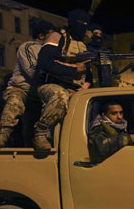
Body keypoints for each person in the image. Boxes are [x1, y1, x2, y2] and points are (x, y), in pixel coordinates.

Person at [0, 22, 54, 150]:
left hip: (40, 91)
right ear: (41, 36)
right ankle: (1, 136)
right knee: (14, 103)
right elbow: (32, 70)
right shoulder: (29, 47)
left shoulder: (54, 50)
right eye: (51, 35)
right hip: (23, 89)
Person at [32, 18, 94, 151]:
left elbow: (88, 76)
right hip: (50, 84)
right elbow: (45, 62)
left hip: (75, 87)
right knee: (60, 95)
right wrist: (73, 69)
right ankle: (41, 133)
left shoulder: (82, 44)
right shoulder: (57, 37)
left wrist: (81, 90)